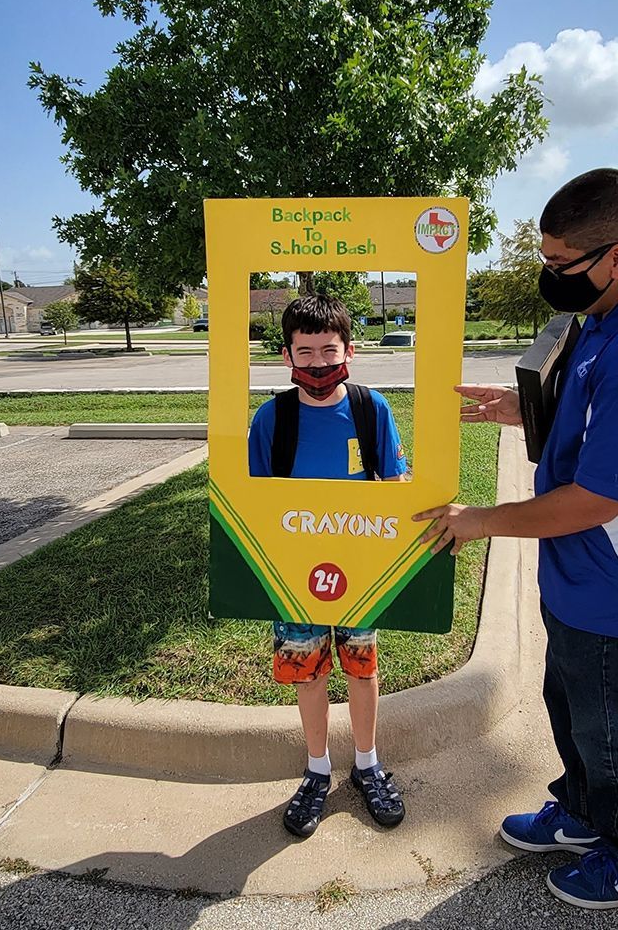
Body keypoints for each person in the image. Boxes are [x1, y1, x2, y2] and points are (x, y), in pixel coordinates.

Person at [414, 168, 618, 910]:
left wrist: (482, 521)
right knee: (578, 708)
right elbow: (597, 423)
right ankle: (585, 816)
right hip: (582, 581)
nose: (551, 278)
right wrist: (523, 410)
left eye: (561, 265)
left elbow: (596, 500)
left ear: (617, 255)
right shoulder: (614, 310)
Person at [249, 294, 408, 838]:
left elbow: (394, 482)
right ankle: (317, 770)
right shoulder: (272, 419)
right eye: (305, 352)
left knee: (362, 668)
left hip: (361, 573)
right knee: (308, 673)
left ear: (350, 351)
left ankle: (366, 763)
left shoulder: (371, 409)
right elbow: (256, 503)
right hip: (295, 578)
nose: (318, 364)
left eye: (328, 350)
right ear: (287, 357)